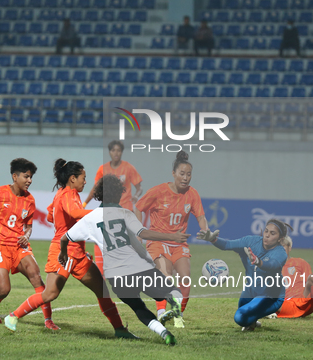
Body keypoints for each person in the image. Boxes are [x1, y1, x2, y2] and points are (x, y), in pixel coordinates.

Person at [4, 159, 137, 340]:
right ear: (73, 178)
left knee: (102, 291)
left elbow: (51, 214)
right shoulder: (68, 194)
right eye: (83, 177)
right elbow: (74, 213)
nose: (85, 181)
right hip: (63, 251)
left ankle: (120, 329)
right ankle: (13, 316)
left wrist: (61, 218)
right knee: (50, 293)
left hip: (78, 253)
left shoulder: (64, 194)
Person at [63, 175, 188, 345]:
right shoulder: (125, 213)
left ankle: (164, 333)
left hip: (116, 276)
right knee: (173, 291)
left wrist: (62, 254)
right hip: (138, 268)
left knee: (139, 307)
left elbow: (66, 237)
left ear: (100, 194)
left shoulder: (90, 218)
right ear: (119, 194)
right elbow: (140, 239)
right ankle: (173, 303)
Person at [0, 158, 59, 330]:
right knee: (4, 290)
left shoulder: (30, 200)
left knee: (36, 276)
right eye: (26, 176)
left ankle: (48, 320)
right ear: (14, 176)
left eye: (31, 177)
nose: (29, 181)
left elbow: (29, 226)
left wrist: (26, 235)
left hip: (19, 246)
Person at [134, 151, 209, 328]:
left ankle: (178, 314)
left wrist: (205, 230)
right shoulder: (158, 192)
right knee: (165, 275)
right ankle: (161, 313)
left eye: (188, 174)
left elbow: (201, 217)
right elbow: (138, 208)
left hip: (179, 243)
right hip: (158, 241)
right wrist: (139, 232)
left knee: (185, 279)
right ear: (173, 173)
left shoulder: (192, 194)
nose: (185, 178)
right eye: (182, 174)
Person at [198, 219, 291, 331]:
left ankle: (254, 318)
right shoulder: (251, 241)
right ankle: (253, 320)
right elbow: (227, 244)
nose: (267, 235)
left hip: (271, 296)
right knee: (244, 312)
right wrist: (213, 239)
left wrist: (258, 261)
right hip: (251, 291)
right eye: (266, 231)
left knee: (240, 317)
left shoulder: (280, 253)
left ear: (280, 238)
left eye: (272, 233)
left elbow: (272, 265)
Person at [83, 140, 143, 275]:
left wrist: (136, 196)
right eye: (113, 150)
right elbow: (95, 188)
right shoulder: (102, 169)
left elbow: (139, 187)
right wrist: (85, 203)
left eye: (119, 150)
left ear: (122, 152)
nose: (116, 153)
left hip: (124, 209)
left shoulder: (128, 168)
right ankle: (102, 273)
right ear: (109, 152)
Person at [268, 236, 313, 320]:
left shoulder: (300, 262)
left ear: (289, 248)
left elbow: (310, 283)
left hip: (304, 302)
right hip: (285, 304)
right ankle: (266, 311)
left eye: (283, 246)